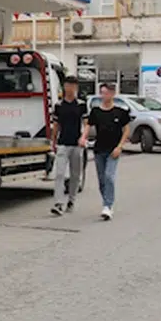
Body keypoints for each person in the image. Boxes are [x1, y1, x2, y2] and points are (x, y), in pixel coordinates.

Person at [86, 83, 131, 221]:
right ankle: (107, 202)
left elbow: (126, 130)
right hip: (99, 149)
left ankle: (107, 205)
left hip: (113, 150)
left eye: (106, 93)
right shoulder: (96, 112)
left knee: (109, 176)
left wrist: (120, 146)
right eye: (102, 93)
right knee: (102, 180)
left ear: (112, 94)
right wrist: (83, 137)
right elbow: (88, 125)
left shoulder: (120, 112)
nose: (103, 96)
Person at [50, 76, 87, 216]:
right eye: (67, 86)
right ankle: (58, 203)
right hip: (62, 143)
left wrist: (84, 138)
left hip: (77, 144)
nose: (69, 89)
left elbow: (86, 123)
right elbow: (56, 125)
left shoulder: (81, 105)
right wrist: (53, 141)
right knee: (59, 174)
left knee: (75, 175)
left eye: (72, 86)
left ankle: (71, 200)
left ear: (76, 88)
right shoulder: (59, 105)